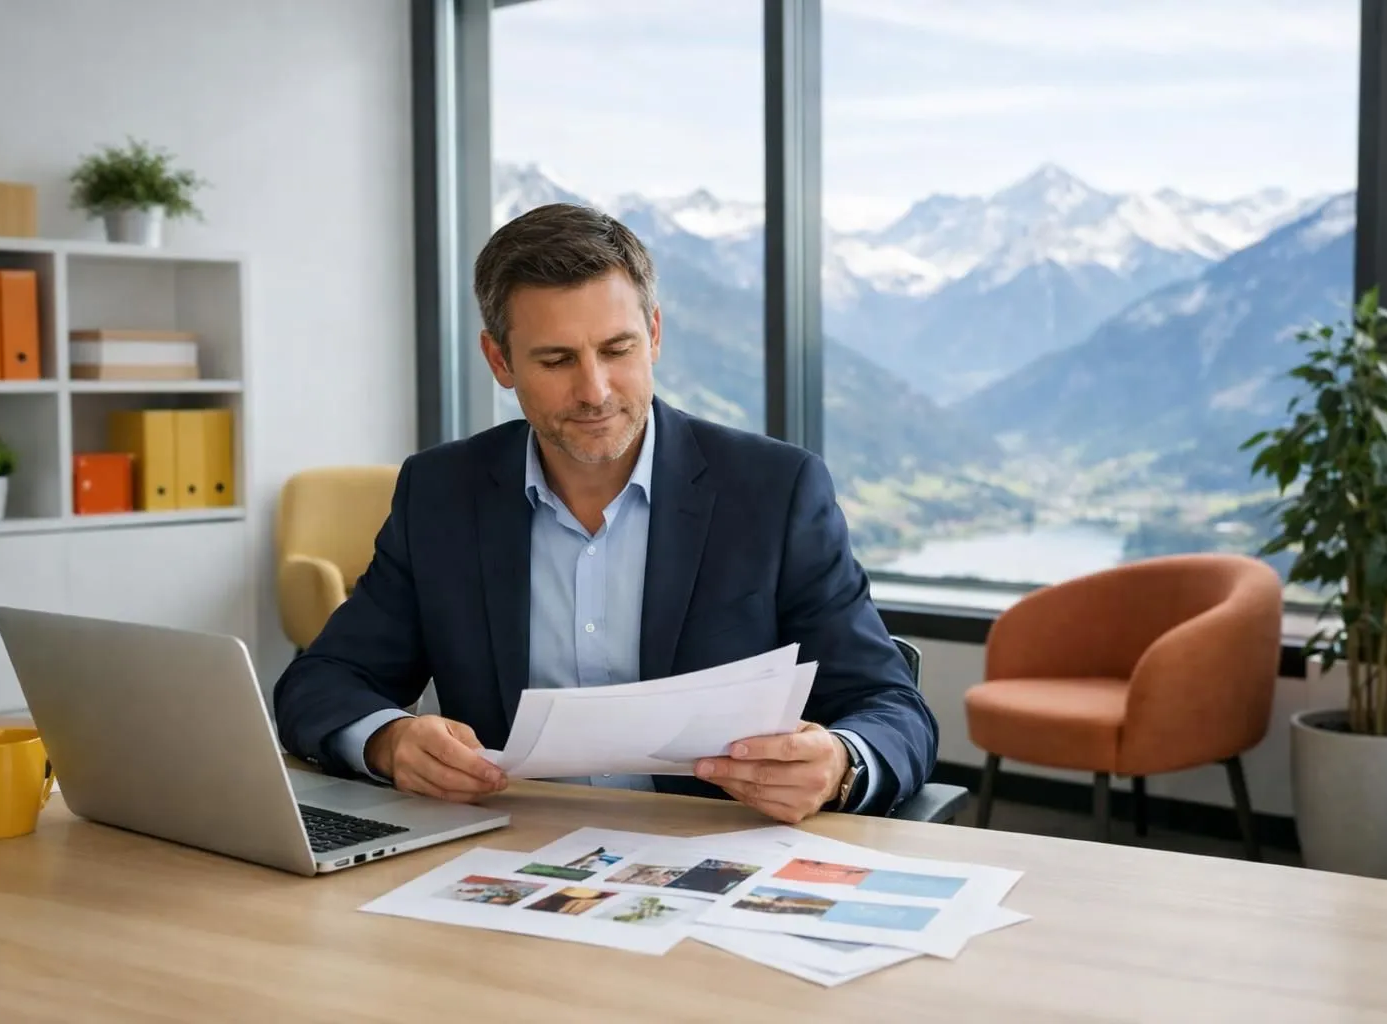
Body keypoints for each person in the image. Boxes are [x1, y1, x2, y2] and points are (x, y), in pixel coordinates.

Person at [272, 202, 939, 824]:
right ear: (499, 361)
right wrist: (389, 741)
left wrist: (840, 765)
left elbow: (890, 707)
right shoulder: (441, 493)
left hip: (715, 848)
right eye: (557, 359)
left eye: (616, 350)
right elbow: (322, 681)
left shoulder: (775, 489)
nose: (594, 391)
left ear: (653, 335)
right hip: (508, 853)